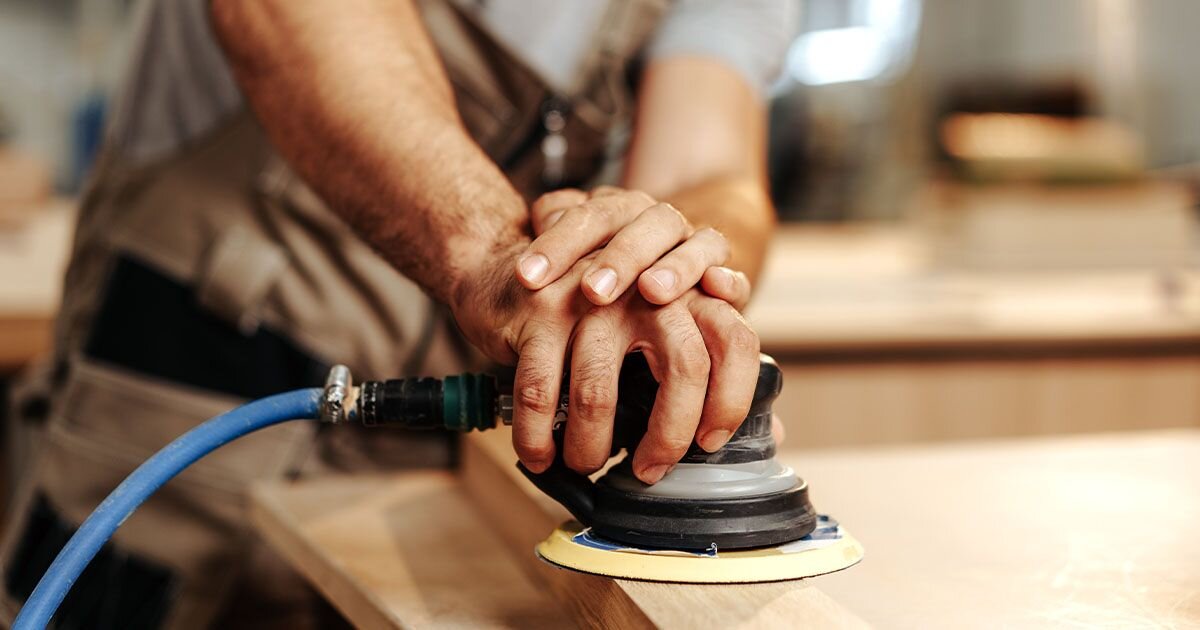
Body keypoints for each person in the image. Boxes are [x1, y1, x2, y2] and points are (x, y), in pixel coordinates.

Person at [0, 0, 797, 627]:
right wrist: (501, 258)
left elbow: (707, 165)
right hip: (184, 391)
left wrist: (669, 273)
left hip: (418, 464)